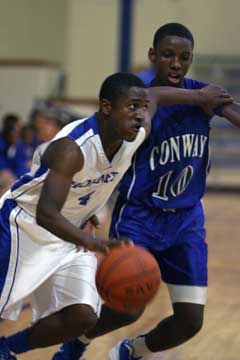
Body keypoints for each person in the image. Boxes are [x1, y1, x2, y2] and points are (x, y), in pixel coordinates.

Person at [0, 72, 229, 359]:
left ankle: (7, 348)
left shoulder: (135, 133)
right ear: (107, 107)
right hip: (24, 224)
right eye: (132, 106)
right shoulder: (71, 149)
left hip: (69, 230)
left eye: (142, 108)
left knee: (83, 317)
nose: (141, 115)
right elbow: (46, 213)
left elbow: (155, 96)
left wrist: (200, 97)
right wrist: (95, 243)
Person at [52, 23, 240, 360]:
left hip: (186, 220)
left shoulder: (203, 94)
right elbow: (153, 100)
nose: (176, 64)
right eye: (168, 55)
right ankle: (78, 340)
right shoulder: (139, 99)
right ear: (153, 56)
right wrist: (201, 98)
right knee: (128, 307)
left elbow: (227, 108)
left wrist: (219, 102)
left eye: (184, 57)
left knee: (190, 321)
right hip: (141, 216)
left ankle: (130, 351)